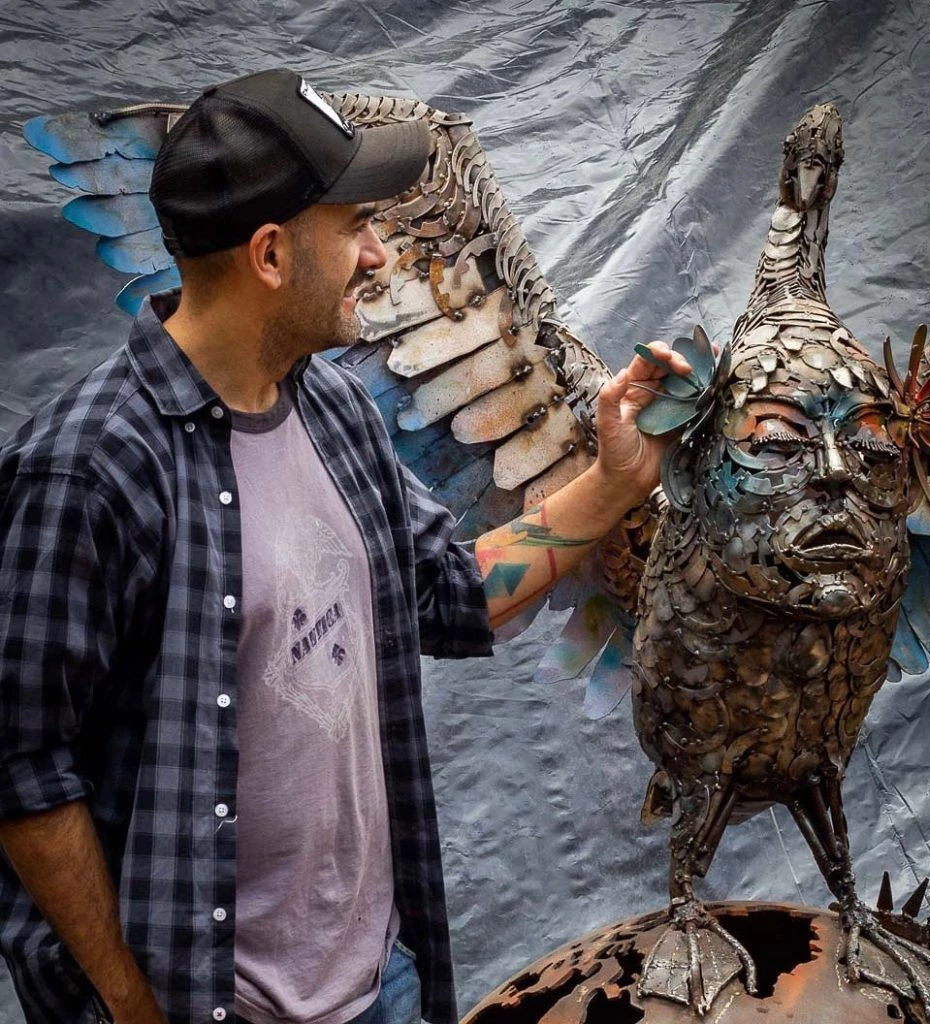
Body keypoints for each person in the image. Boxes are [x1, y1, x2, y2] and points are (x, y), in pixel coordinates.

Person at [0, 68, 690, 1024]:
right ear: (271, 254)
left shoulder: (334, 411)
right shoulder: (86, 472)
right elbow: (23, 773)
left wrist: (614, 482)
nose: (378, 254)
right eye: (358, 225)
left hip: (382, 982)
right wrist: (128, 1003)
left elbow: (446, 593)